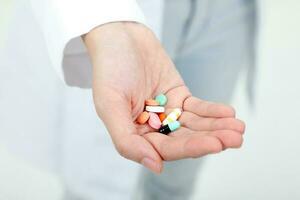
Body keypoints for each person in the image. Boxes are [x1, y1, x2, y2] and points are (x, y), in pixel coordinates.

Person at [0, 0, 255, 199]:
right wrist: (107, 22)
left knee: (175, 185)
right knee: (97, 188)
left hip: (230, 11)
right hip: (119, 12)